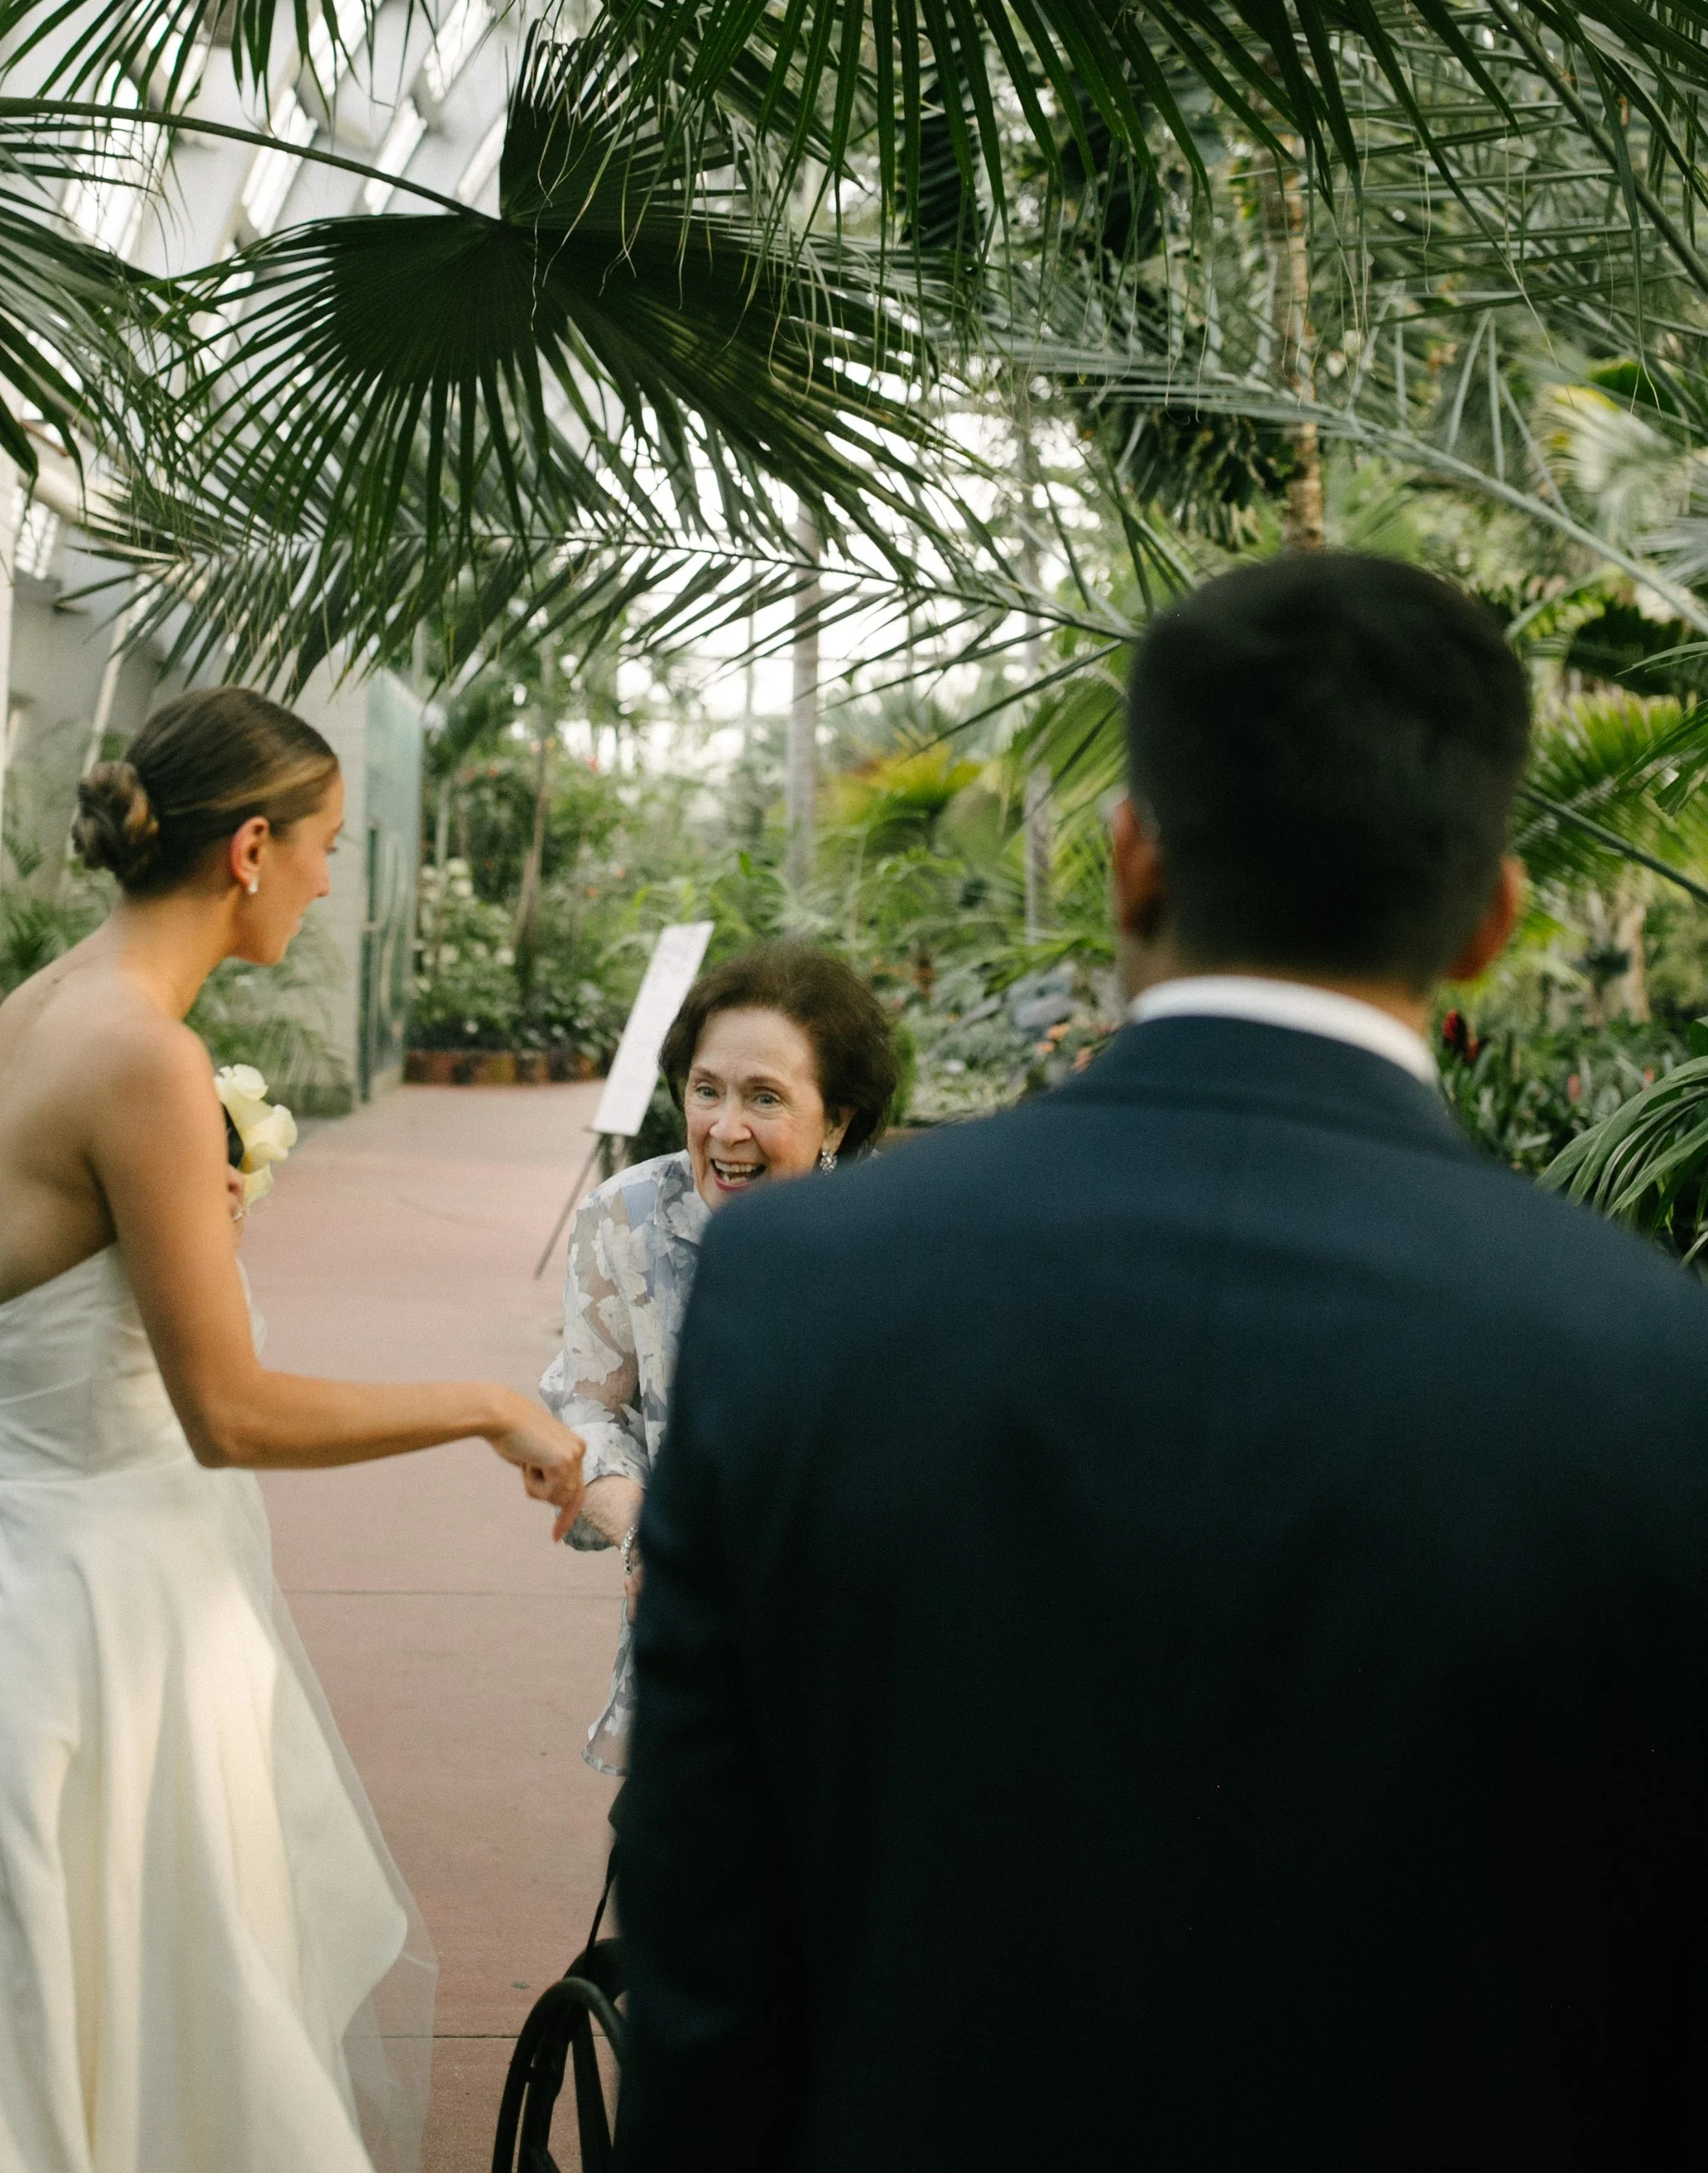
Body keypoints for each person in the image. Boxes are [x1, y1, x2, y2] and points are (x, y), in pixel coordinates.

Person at [615, 552, 1708, 2171]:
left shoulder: (799, 1293)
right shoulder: (1646, 1366)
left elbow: (701, 1970)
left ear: (1129, 863)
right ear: (1488, 920)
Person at [0, 685, 583, 2173]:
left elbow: (22, 1311)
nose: (335, 884)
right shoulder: (147, 1058)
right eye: (331, 847)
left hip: (19, 1587)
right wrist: (488, 1405)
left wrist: (184, 1228)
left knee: (23, 2016)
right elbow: (230, 1413)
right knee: (116, 2014)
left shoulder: (47, 1005)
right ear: (252, 848)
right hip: (104, 1631)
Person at [541, 940, 897, 1770]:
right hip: (692, 1633)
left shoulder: (904, 1238)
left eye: (764, 1098)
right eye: (706, 1090)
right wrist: (647, 1538)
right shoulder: (624, 1217)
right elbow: (590, 1406)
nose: (724, 1128)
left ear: (837, 1119)